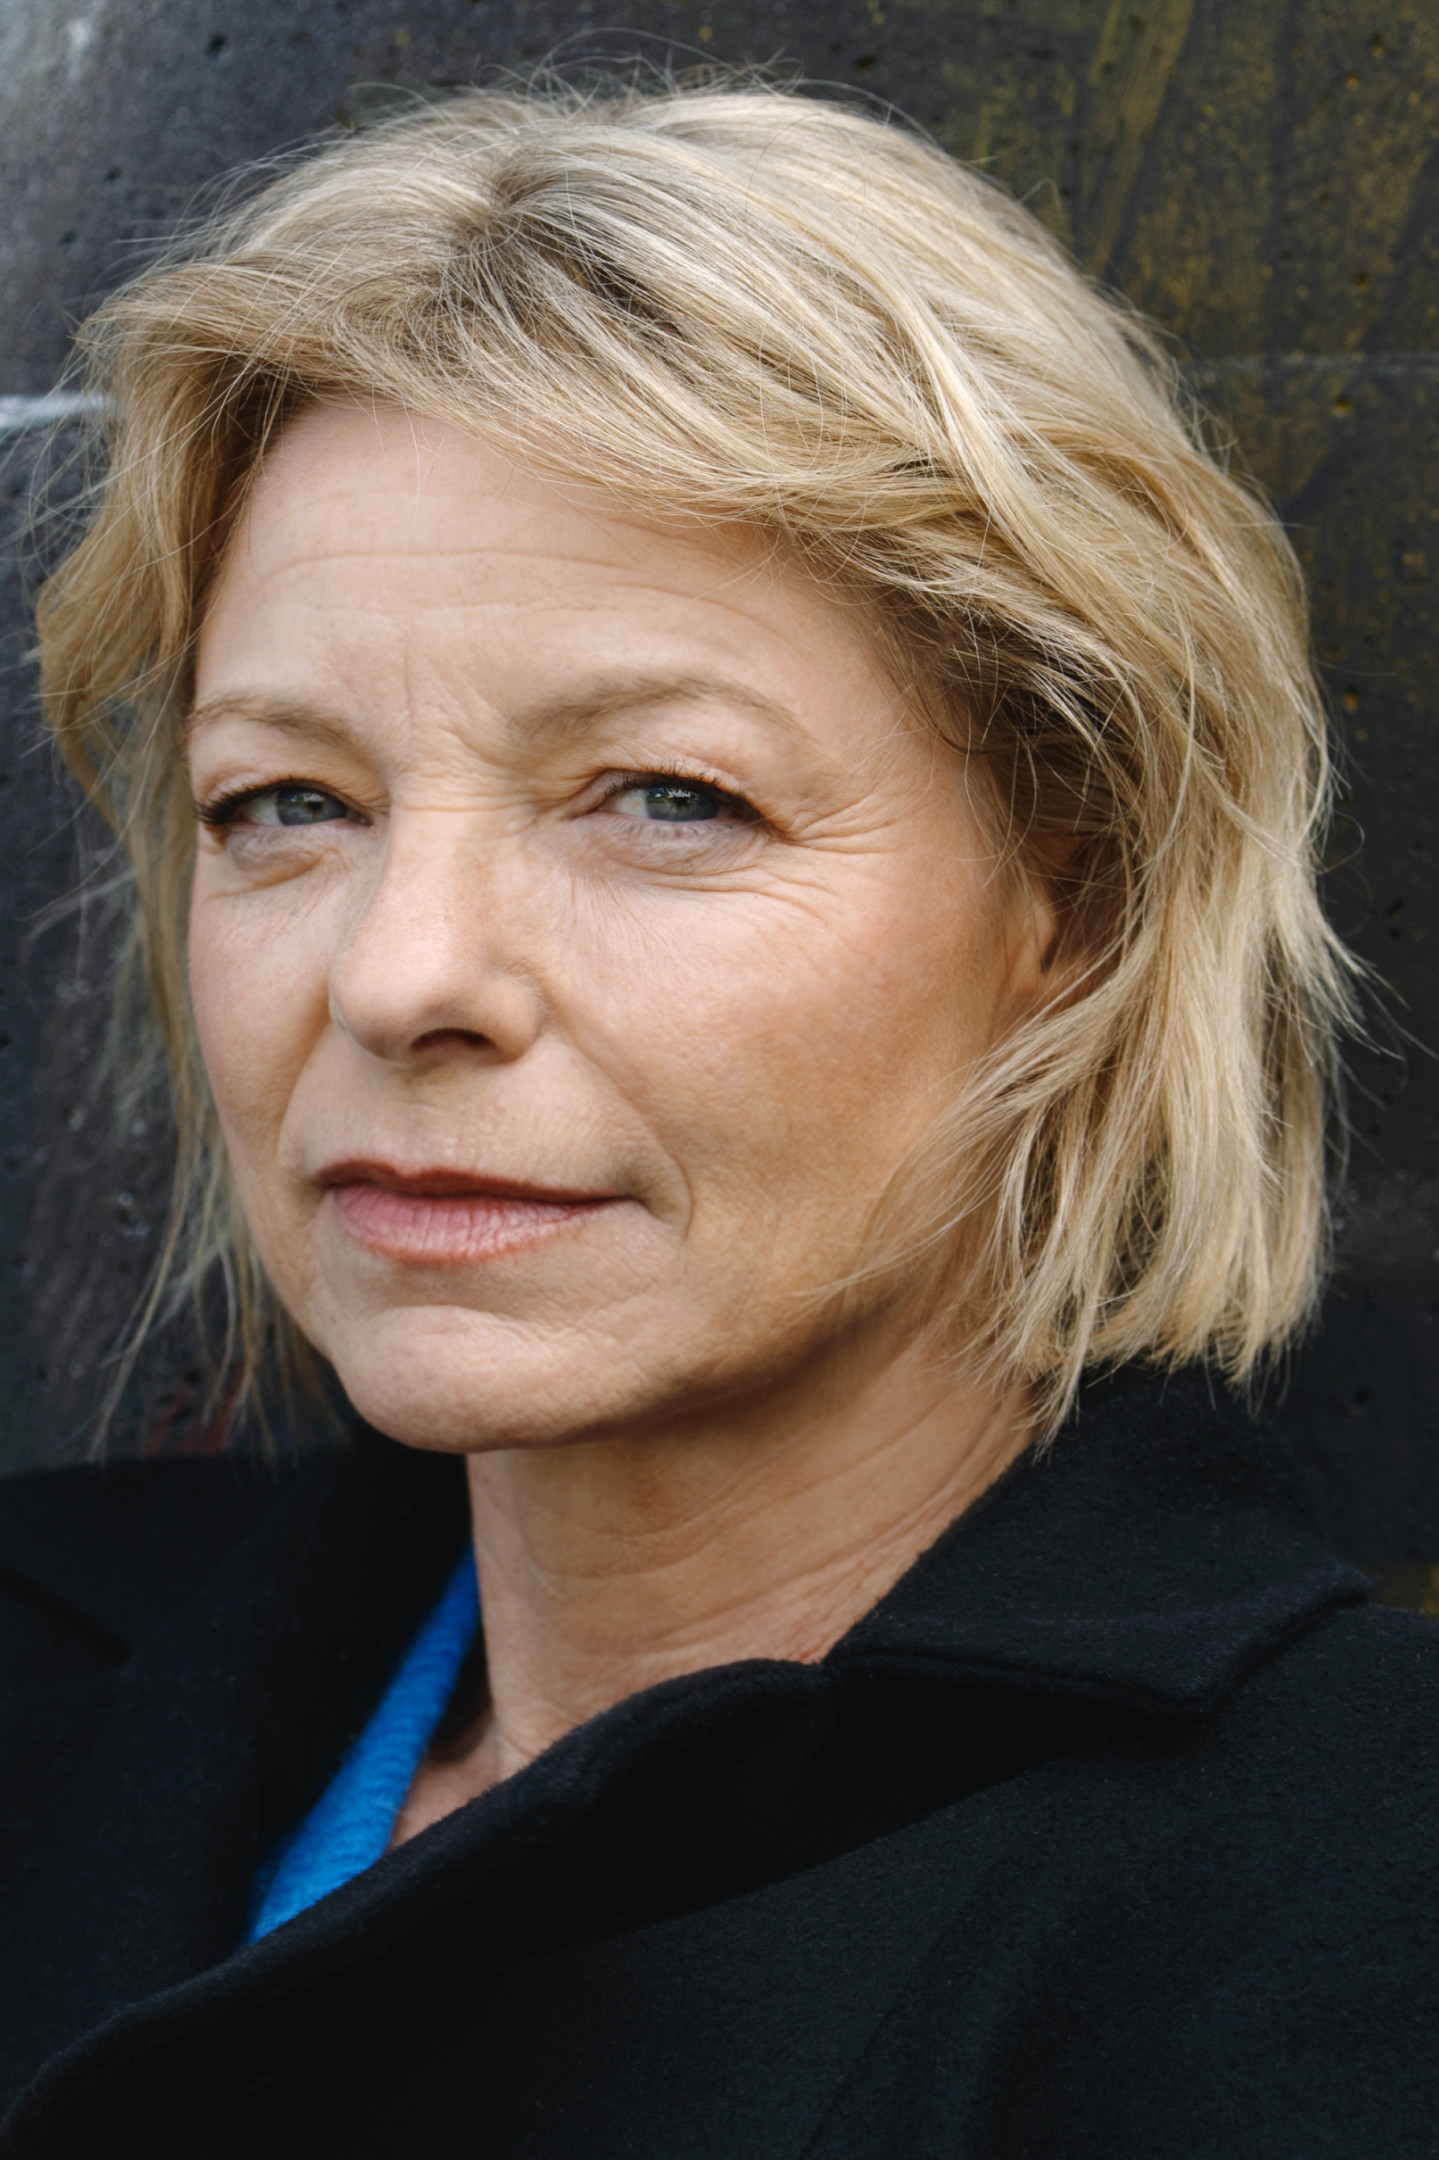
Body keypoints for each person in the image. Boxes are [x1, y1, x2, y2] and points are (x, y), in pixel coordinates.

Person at [0, 77, 1434, 2159]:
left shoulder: (1345, 1903)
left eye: (668, 797)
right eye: (287, 801)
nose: (399, 973)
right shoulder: (51, 1678)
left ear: (1076, 900)